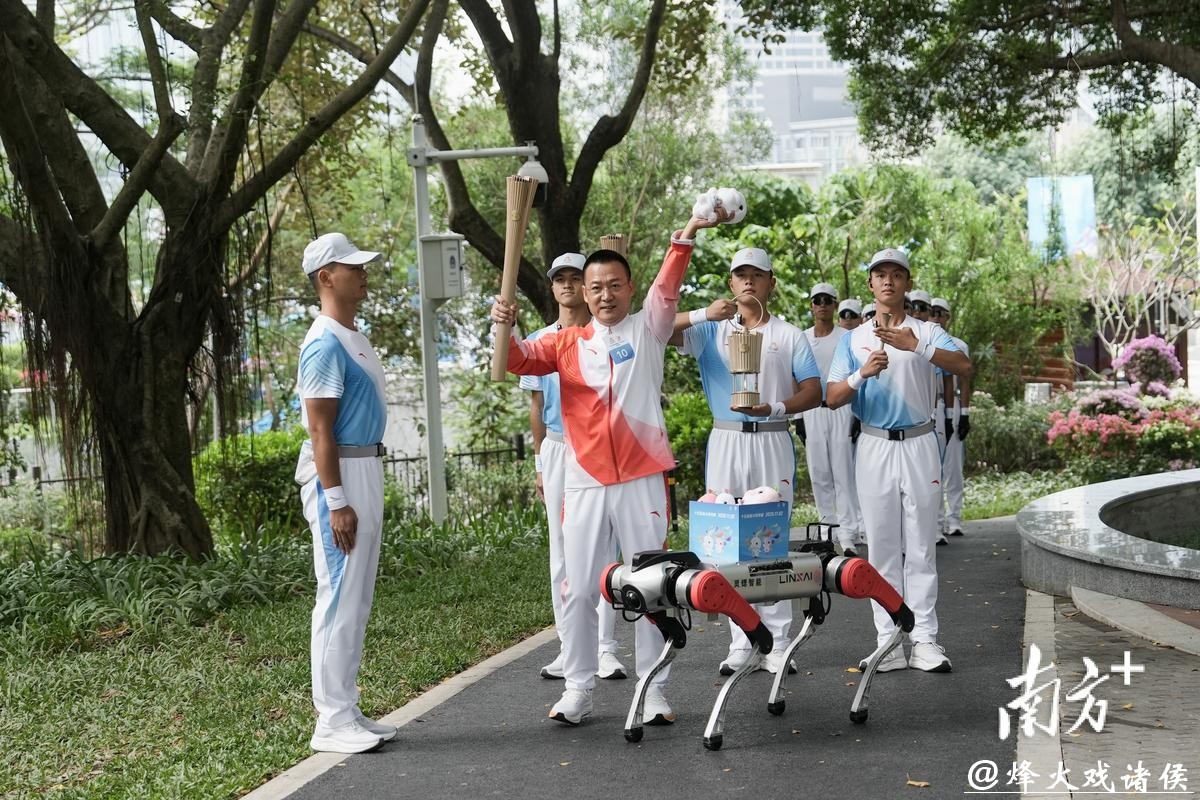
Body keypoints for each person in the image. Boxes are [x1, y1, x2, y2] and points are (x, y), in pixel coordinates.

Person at [491, 206, 731, 726]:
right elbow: (515, 361)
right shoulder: (564, 344)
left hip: (642, 480)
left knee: (650, 586)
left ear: (628, 287)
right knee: (579, 586)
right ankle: (577, 688)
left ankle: (655, 688)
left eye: (613, 285)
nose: (604, 294)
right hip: (584, 481)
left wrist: (687, 232)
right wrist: (505, 331)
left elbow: (669, 285)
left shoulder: (650, 328)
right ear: (584, 292)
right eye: (595, 286)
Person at [671, 248, 822, 676]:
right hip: (727, 438)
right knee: (725, 537)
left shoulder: (790, 335)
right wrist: (703, 313)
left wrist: (776, 407)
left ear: (771, 282)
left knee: (770, 537)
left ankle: (775, 641)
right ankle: (742, 639)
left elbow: (813, 390)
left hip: (772, 437)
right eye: (741, 275)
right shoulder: (711, 331)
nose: (749, 282)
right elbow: (657, 328)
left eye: (758, 275)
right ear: (730, 283)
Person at [826, 248, 972, 674]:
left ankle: (924, 639)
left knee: (922, 546)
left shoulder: (927, 331)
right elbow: (832, 397)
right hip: (873, 444)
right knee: (882, 548)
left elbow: (963, 365)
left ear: (907, 283)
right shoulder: (852, 340)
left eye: (896, 274)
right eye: (880, 275)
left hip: (920, 442)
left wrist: (919, 348)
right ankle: (888, 639)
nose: (888, 281)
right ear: (870, 284)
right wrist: (860, 375)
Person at [295, 233, 394, 753]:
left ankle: (346, 706)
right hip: (341, 476)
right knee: (336, 597)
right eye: (350, 267)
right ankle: (330, 720)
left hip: (364, 467)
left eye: (362, 266)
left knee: (354, 598)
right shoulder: (323, 341)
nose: (362, 273)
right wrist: (336, 500)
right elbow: (319, 430)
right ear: (325, 278)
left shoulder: (350, 333)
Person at [520, 252, 626, 682]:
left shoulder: (605, 334)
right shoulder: (539, 340)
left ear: (586, 286)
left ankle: (605, 648)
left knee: (605, 550)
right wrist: (540, 461)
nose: (566, 285)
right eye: (559, 278)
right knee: (562, 554)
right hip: (559, 449)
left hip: (600, 449)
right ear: (552, 287)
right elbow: (536, 407)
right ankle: (569, 646)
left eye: (574, 278)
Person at [798, 282, 863, 557]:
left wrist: (857, 414)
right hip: (812, 410)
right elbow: (796, 377)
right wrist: (798, 416)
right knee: (819, 473)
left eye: (827, 300)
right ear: (812, 305)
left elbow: (858, 375)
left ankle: (847, 534)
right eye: (817, 300)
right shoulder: (802, 338)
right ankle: (828, 531)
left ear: (835, 304)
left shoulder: (846, 337)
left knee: (842, 472)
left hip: (841, 409)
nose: (822, 304)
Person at [931, 298, 972, 538]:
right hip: (929, 404)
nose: (936, 317)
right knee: (933, 466)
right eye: (932, 312)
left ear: (948, 316)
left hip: (952, 405)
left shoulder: (958, 345)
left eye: (941, 313)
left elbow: (965, 381)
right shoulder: (921, 341)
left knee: (954, 465)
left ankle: (954, 517)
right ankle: (936, 522)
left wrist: (964, 414)